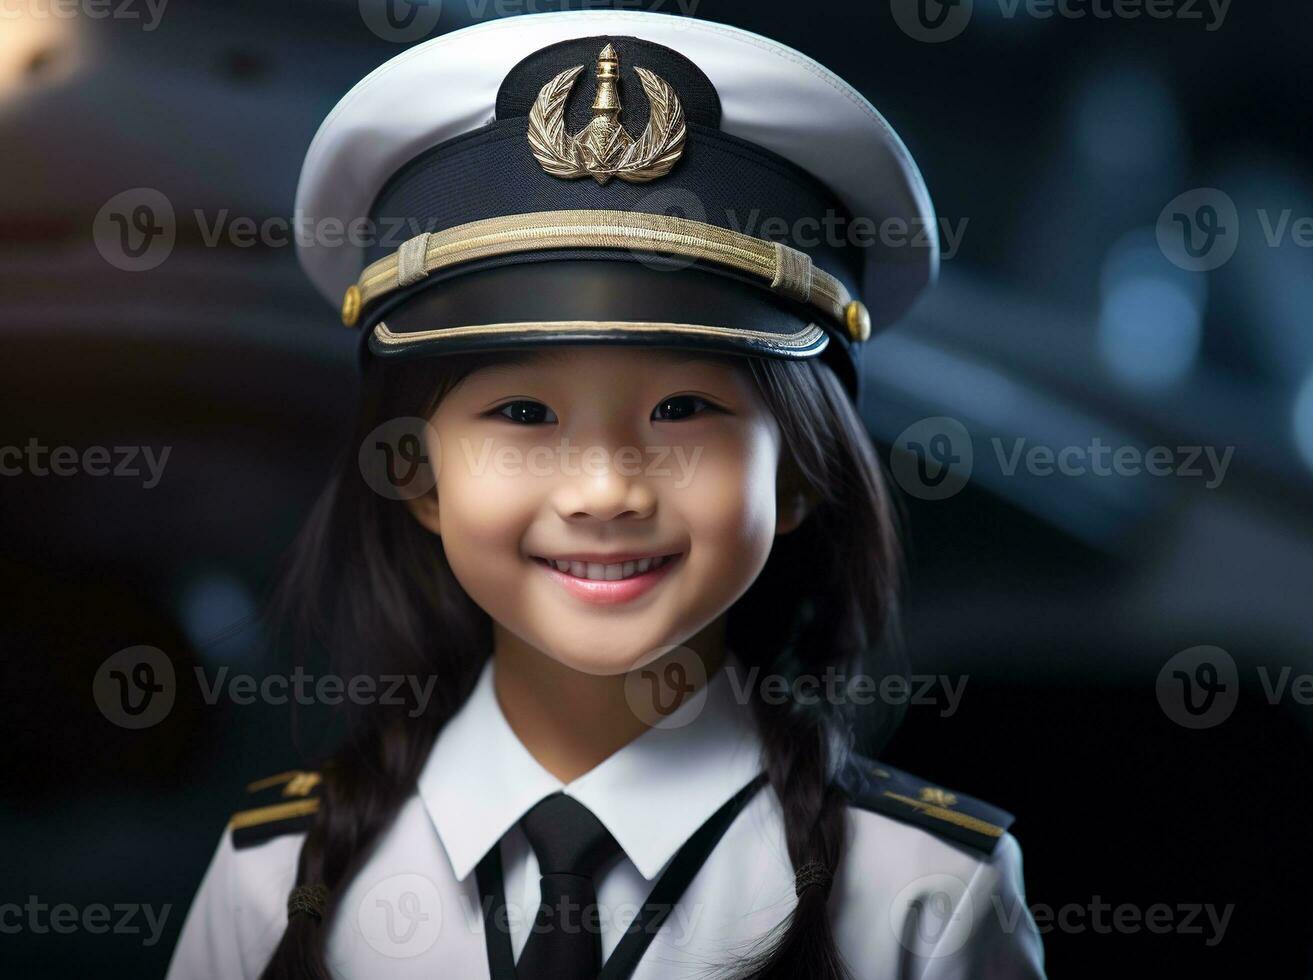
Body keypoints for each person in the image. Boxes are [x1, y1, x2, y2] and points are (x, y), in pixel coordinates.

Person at [166, 10, 1045, 980]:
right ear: (414, 472)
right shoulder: (274, 875)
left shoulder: (924, 895)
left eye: (682, 407)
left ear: (798, 471)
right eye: (523, 412)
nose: (603, 489)